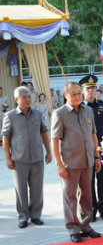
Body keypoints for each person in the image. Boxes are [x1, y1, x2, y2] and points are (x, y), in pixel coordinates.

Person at [51, 82, 102, 243]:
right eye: (73, 94)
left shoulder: (88, 110)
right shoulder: (59, 113)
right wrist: (59, 164)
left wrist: (97, 156)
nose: (78, 97)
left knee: (87, 195)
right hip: (70, 163)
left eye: (79, 93)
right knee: (70, 196)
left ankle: (86, 226)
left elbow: (93, 134)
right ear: (65, 95)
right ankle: (73, 228)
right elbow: (55, 140)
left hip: (87, 160)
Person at [2, 86, 52, 229]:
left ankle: (36, 215)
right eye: (24, 97)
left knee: (37, 189)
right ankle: (23, 216)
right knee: (21, 190)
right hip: (19, 159)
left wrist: (48, 152)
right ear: (17, 99)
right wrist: (8, 158)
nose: (27, 99)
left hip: (37, 157)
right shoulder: (10, 116)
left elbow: (44, 133)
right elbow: (6, 138)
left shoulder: (37, 113)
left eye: (29, 96)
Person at [80, 75, 103, 223]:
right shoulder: (79, 108)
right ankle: (92, 210)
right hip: (86, 150)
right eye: (88, 88)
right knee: (89, 182)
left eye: (93, 88)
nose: (91, 91)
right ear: (83, 91)